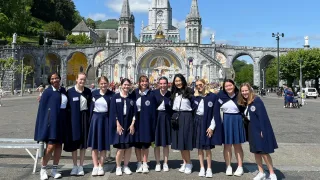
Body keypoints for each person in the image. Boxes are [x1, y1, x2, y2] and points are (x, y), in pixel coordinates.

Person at [238, 83, 278, 180]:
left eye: (246, 90)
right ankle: (261, 172)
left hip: (259, 129)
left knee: (264, 152)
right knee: (256, 152)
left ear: (250, 90)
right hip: (251, 128)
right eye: (242, 91)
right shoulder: (245, 102)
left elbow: (263, 117)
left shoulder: (257, 100)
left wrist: (262, 130)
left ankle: (272, 173)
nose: (244, 93)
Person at [34, 72, 68, 180]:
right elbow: (42, 111)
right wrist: (43, 126)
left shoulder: (63, 90)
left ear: (59, 79)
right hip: (51, 123)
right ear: (50, 80)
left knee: (58, 146)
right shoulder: (47, 92)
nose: (55, 80)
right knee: (50, 147)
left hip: (61, 122)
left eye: (56, 78)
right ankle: (43, 169)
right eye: (52, 79)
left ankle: (54, 170)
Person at [64, 72, 92, 176]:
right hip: (73, 119)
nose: (82, 81)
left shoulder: (88, 91)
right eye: (80, 79)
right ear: (76, 79)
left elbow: (90, 106)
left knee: (83, 144)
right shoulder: (70, 92)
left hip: (84, 118)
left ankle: (81, 166)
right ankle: (74, 165)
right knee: (74, 143)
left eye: (84, 79)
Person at [193, 79, 223, 177]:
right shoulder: (195, 97)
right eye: (197, 85)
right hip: (198, 122)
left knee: (207, 147)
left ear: (205, 85)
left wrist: (212, 127)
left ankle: (209, 168)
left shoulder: (212, 97)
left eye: (200, 84)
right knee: (199, 147)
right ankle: (202, 167)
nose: (199, 86)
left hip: (207, 123)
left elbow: (216, 113)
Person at [217, 79, 246, 176]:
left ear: (234, 85)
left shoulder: (239, 95)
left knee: (237, 145)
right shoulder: (221, 95)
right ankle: (228, 166)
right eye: (226, 86)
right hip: (226, 120)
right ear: (224, 88)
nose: (228, 87)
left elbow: (246, 108)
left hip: (237, 119)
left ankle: (240, 166)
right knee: (227, 145)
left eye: (230, 85)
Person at [87, 76, 114, 176]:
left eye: (105, 83)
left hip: (105, 119)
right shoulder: (94, 93)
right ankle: (95, 166)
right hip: (95, 119)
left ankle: (101, 166)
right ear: (99, 84)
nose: (103, 85)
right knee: (94, 145)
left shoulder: (111, 94)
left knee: (103, 145)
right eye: (101, 83)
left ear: (108, 83)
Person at [109, 78, 136, 176]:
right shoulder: (115, 97)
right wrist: (117, 124)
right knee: (120, 148)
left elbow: (134, 113)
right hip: (119, 124)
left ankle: (126, 165)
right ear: (121, 85)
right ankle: (118, 166)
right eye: (125, 85)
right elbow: (113, 112)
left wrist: (132, 124)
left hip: (129, 124)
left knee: (128, 147)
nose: (126, 87)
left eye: (128, 85)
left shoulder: (131, 98)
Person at [170, 73, 194, 174]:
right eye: (176, 81)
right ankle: (184, 162)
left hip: (186, 116)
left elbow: (194, 104)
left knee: (184, 140)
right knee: (179, 141)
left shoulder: (189, 91)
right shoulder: (174, 92)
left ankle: (189, 163)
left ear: (183, 81)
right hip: (176, 116)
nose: (178, 83)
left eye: (179, 81)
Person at [133, 75, 157, 173]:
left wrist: (153, 124)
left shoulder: (151, 94)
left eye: (146, 81)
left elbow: (154, 111)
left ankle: (145, 163)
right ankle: (139, 162)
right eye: (142, 81)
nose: (144, 83)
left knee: (145, 143)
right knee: (137, 143)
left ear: (148, 83)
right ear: (139, 83)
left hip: (146, 121)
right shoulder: (134, 93)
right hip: (136, 120)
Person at [153, 77, 172, 172]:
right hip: (157, 119)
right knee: (156, 143)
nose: (163, 85)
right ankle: (157, 163)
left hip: (166, 119)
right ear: (158, 84)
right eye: (161, 83)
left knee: (165, 143)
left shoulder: (170, 94)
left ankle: (165, 163)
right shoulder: (154, 93)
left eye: (164, 83)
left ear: (167, 84)